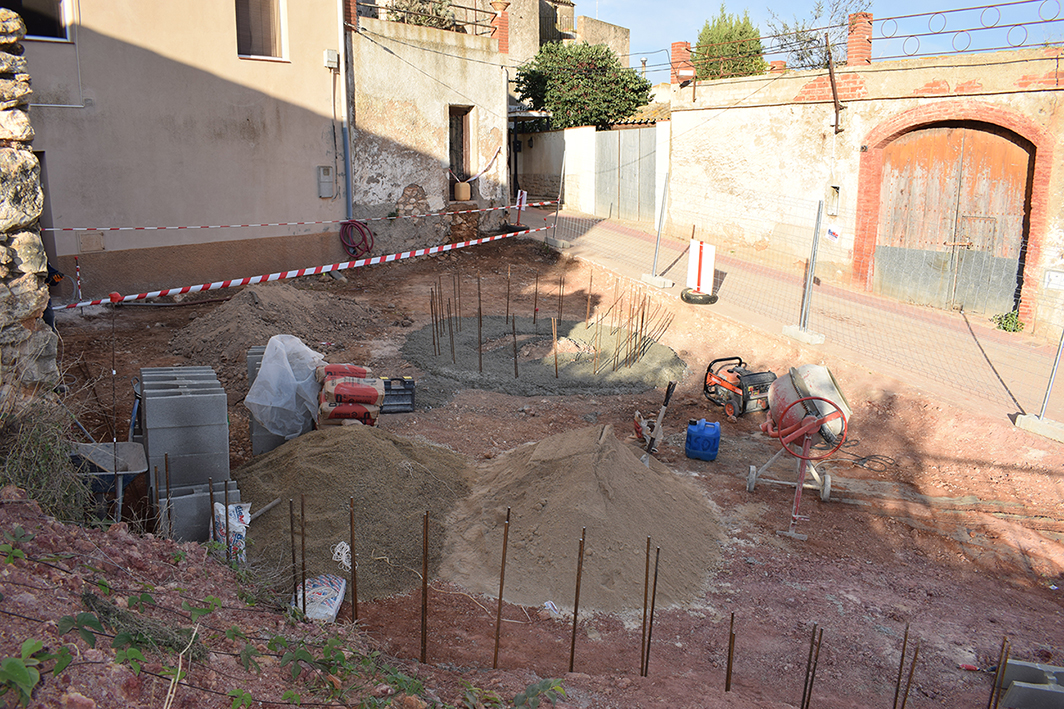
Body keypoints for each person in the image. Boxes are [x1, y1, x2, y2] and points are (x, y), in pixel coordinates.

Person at [42, 262, 64, 332]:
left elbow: (51, 275)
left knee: (48, 317)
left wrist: (55, 278)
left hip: (42, 297)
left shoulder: (41, 260)